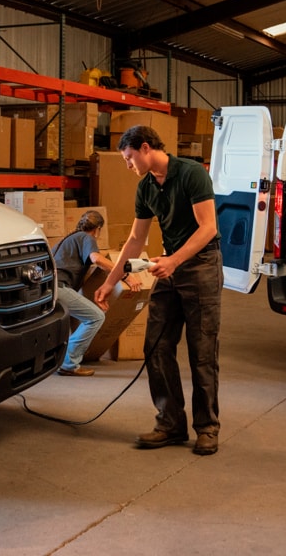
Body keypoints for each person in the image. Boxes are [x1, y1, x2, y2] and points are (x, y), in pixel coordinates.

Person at [95, 125, 223, 456]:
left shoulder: (191, 174)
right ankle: (170, 423)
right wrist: (110, 282)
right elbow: (135, 240)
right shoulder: (147, 188)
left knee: (202, 351)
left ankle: (207, 427)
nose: (128, 165)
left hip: (201, 266)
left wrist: (175, 260)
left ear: (146, 148)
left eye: (129, 158)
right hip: (170, 268)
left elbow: (208, 227)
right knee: (156, 345)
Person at [52, 209, 128, 376]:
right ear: (97, 229)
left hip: (47, 288)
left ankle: (61, 360)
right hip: (59, 287)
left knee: (67, 322)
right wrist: (124, 275)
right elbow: (97, 259)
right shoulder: (87, 237)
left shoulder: (65, 240)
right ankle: (69, 363)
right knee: (95, 317)